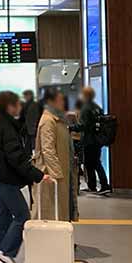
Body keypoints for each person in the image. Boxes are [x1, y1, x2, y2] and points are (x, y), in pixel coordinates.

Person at [0, 91, 50, 263]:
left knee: (4, 217)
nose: (20, 107)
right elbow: (15, 157)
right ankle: (5, 253)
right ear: (9, 106)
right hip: (6, 179)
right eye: (17, 104)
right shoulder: (6, 127)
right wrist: (37, 175)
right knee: (22, 216)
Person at [32, 87, 77, 222]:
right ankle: (50, 239)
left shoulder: (59, 120)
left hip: (63, 170)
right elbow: (48, 150)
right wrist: (57, 175)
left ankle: (61, 237)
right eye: (60, 100)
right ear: (51, 102)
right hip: (52, 175)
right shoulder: (48, 121)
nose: (63, 103)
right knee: (50, 208)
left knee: (62, 207)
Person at [77, 87, 111, 194]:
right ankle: (98, 185)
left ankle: (98, 186)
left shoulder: (85, 108)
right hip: (97, 139)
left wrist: (72, 127)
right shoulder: (97, 107)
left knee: (90, 163)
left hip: (89, 140)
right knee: (95, 162)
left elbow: (83, 125)